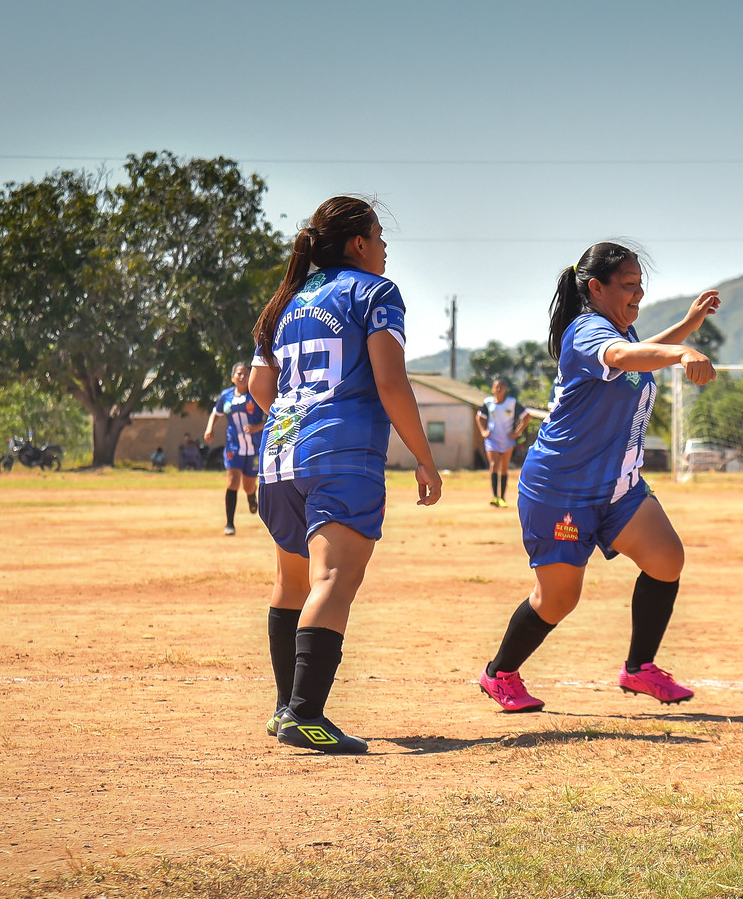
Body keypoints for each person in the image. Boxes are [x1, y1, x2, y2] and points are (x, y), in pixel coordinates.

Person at [477, 243, 718, 714]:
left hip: (618, 487)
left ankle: (639, 669)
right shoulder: (588, 331)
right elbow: (626, 356)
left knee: (666, 559)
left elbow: (635, 352)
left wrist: (685, 329)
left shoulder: (616, 331)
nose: (639, 293)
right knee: (558, 599)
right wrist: (683, 349)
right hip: (560, 489)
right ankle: (499, 674)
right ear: (596, 288)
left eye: (639, 283)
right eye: (628, 284)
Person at [249, 197, 443, 754]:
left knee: (291, 583)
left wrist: (298, 424)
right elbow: (390, 380)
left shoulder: (284, 302)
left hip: (279, 456)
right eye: (380, 236)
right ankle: (305, 715)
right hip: (343, 455)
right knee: (334, 580)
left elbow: (262, 390)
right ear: (358, 243)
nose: (384, 248)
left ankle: (287, 706)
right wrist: (424, 459)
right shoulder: (375, 291)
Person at [206, 362, 265, 535]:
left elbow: (271, 415)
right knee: (232, 482)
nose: (242, 377)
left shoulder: (255, 395)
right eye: (238, 374)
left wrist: (257, 427)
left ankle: (251, 495)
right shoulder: (226, 396)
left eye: (246, 374)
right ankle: (230, 524)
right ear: (232, 377)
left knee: (248, 485)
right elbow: (215, 414)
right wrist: (209, 429)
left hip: (253, 448)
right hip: (233, 447)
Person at [477, 378, 530, 508]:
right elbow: (479, 416)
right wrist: (483, 431)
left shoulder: (512, 403)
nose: (498, 390)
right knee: (494, 465)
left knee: (504, 468)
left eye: (501, 387)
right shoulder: (488, 403)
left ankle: (503, 497)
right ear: (492, 389)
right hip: (492, 439)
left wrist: (516, 433)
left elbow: (527, 417)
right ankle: (495, 497)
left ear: (505, 389)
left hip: (507, 439)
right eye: (496, 387)